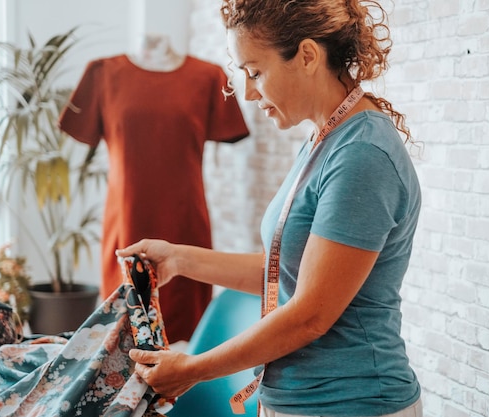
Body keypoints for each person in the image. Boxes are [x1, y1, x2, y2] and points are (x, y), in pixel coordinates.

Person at [118, 0, 423, 416]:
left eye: (255, 72)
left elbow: (309, 315)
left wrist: (192, 369)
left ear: (308, 56)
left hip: (352, 404)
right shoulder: (322, 141)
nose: (247, 91)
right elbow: (287, 274)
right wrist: (180, 258)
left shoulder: (361, 154)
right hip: (297, 402)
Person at [58, 31, 250, 344]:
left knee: (188, 336)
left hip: (186, 221)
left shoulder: (207, 76)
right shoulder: (103, 73)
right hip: (126, 219)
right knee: (123, 333)